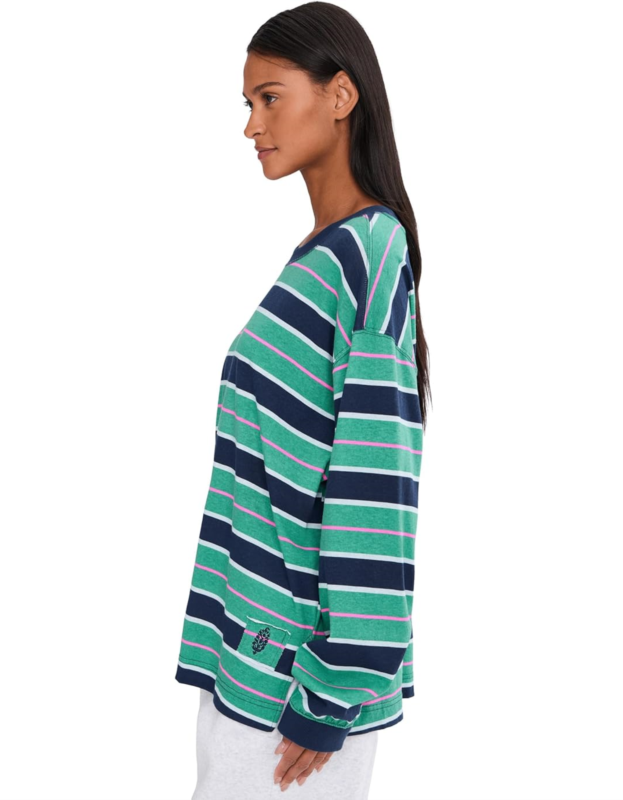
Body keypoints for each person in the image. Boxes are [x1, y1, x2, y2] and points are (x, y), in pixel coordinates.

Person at [175, 3, 431, 797]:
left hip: (297, 694)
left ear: (340, 95)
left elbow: (374, 483)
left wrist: (335, 690)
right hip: (252, 664)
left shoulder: (369, 252)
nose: (251, 125)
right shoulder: (321, 257)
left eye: (270, 97)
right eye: (247, 103)